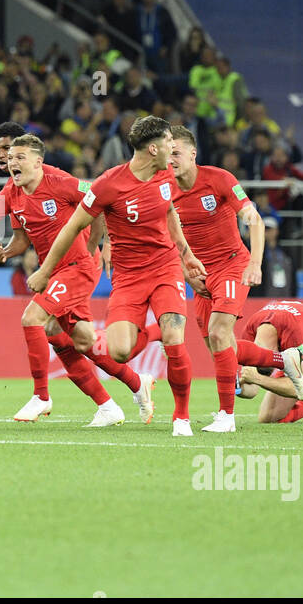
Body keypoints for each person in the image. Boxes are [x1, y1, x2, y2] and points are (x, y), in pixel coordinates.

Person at [0, 134, 154, 425]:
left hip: (78, 266)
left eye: (18, 157)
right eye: (9, 158)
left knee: (32, 318)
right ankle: (128, 391)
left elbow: (103, 199)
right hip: (55, 271)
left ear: (38, 162)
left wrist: (101, 243)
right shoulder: (12, 192)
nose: (11, 163)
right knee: (80, 341)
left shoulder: (61, 182)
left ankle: (41, 396)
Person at [27, 115, 207, 436]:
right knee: (119, 352)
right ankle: (150, 351)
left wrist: (186, 252)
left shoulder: (167, 175)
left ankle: (181, 418)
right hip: (128, 276)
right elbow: (74, 226)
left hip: (165, 267)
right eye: (168, 143)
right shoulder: (109, 184)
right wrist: (46, 270)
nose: (172, 148)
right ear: (153, 148)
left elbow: (169, 212)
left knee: (175, 340)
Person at [169, 125, 287, 434]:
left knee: (219, 333)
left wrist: (256, 264)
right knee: (222, 348)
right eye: (167, 154)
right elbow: (165, 239)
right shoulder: (164, 190)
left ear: (193, 154)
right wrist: (185, 273)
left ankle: (226, 416)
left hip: (232, 266)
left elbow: (254, 219)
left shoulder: (219, 179)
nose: (171, 160)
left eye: (176, 153)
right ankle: (284, 360)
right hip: (200, 275)